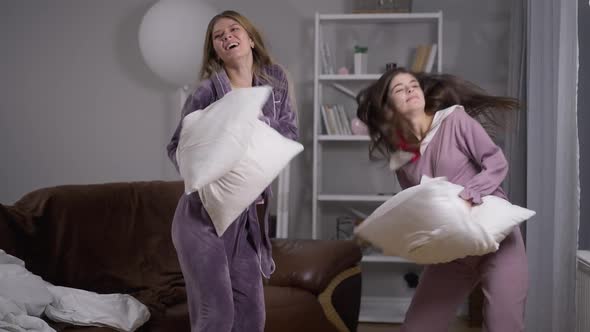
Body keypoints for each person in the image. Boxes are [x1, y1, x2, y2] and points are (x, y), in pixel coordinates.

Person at [356, 67, 528, 332]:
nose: (410, 90)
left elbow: (495, 162)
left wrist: (469, 196)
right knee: (417, 327)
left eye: (413, 85)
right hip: (455, 251)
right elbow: (419, 207)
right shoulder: (402, 160)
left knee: (502, 325)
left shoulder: (454, 121)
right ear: (388, 108)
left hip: (498, 240)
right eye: (399, 89)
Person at [166, 10, 298, 332]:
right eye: (218, 36)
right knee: (217, 316)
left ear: (250, 39)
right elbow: (176, 148)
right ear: (215, 50)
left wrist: (252, 125)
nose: (227, 37)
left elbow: (290, 133)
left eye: (233, 30)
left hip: (248, 221)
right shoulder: (207, 92)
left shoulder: (274, 80)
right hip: (201, 217)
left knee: (252, 318)